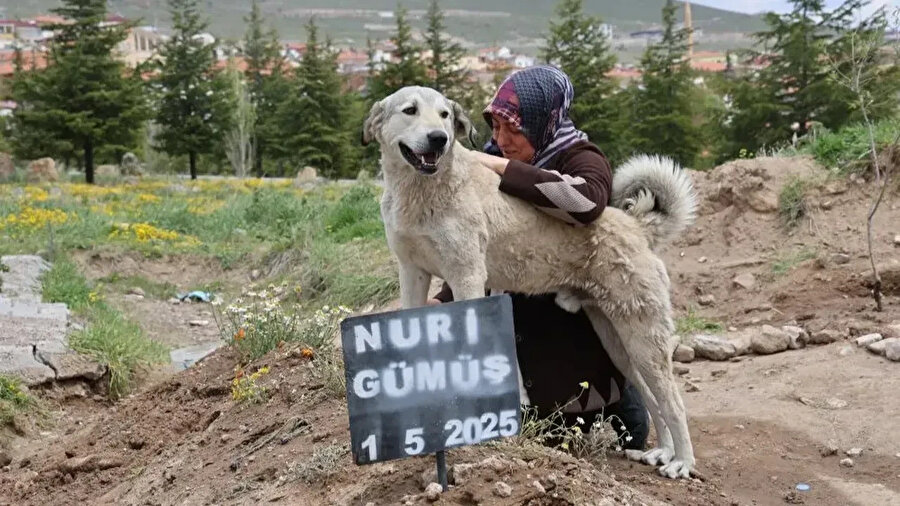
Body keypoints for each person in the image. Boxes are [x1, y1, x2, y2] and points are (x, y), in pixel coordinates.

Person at [427, 66, 649, 450]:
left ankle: (623, 403)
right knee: (542, 433)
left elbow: (587, 203)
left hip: (572, 326)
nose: (502, 140)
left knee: (619, 424)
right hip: (522, 327)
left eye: (514, 129)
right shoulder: (493, 160)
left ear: (543, 122)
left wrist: (502, 168)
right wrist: (444, 299)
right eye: (496, 128)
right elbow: (478, 243)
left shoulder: (580, 158)